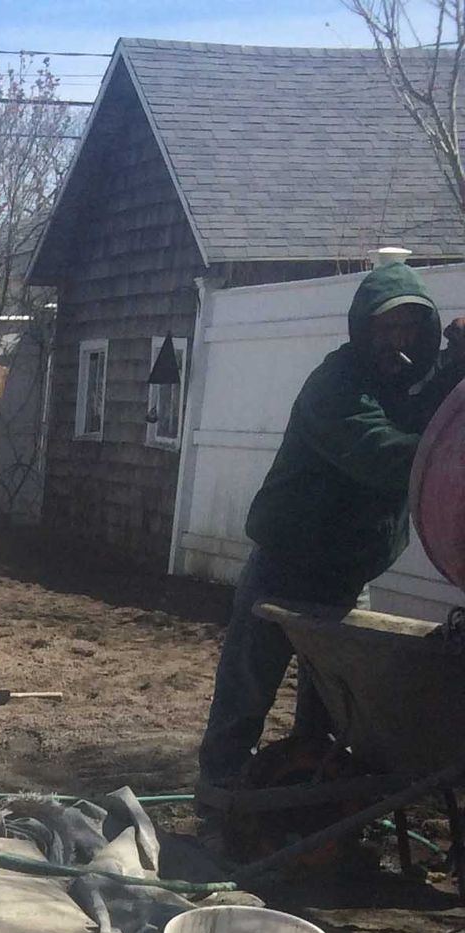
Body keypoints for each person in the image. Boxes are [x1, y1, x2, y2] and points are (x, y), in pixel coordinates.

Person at [197, 260, 465, 786]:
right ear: (362, 329)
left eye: (409, 327)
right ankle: (217, 800)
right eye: (386, 327)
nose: (398, 340)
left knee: (334, 710)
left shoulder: (408, 385)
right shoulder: (336, 386)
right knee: (245, 696)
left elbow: (434, 412)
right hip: (285, 569)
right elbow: (384, 453)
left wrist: (457, 368)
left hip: (349, 579)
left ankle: (313, 803)